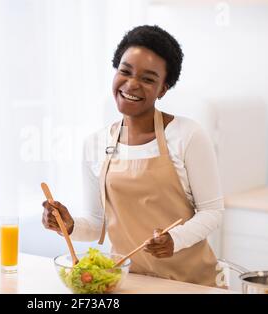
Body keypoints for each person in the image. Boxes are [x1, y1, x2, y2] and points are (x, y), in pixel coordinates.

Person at [42, 25, 223, 287]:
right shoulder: (94, 144)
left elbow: (213, 212)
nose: (132, 84)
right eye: (125, 71)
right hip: (129, 282)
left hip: (189, 283)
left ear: (163, 88)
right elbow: (97, 224)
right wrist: (67, 225)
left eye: (148, 79)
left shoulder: (189, 135)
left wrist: (176, 239)